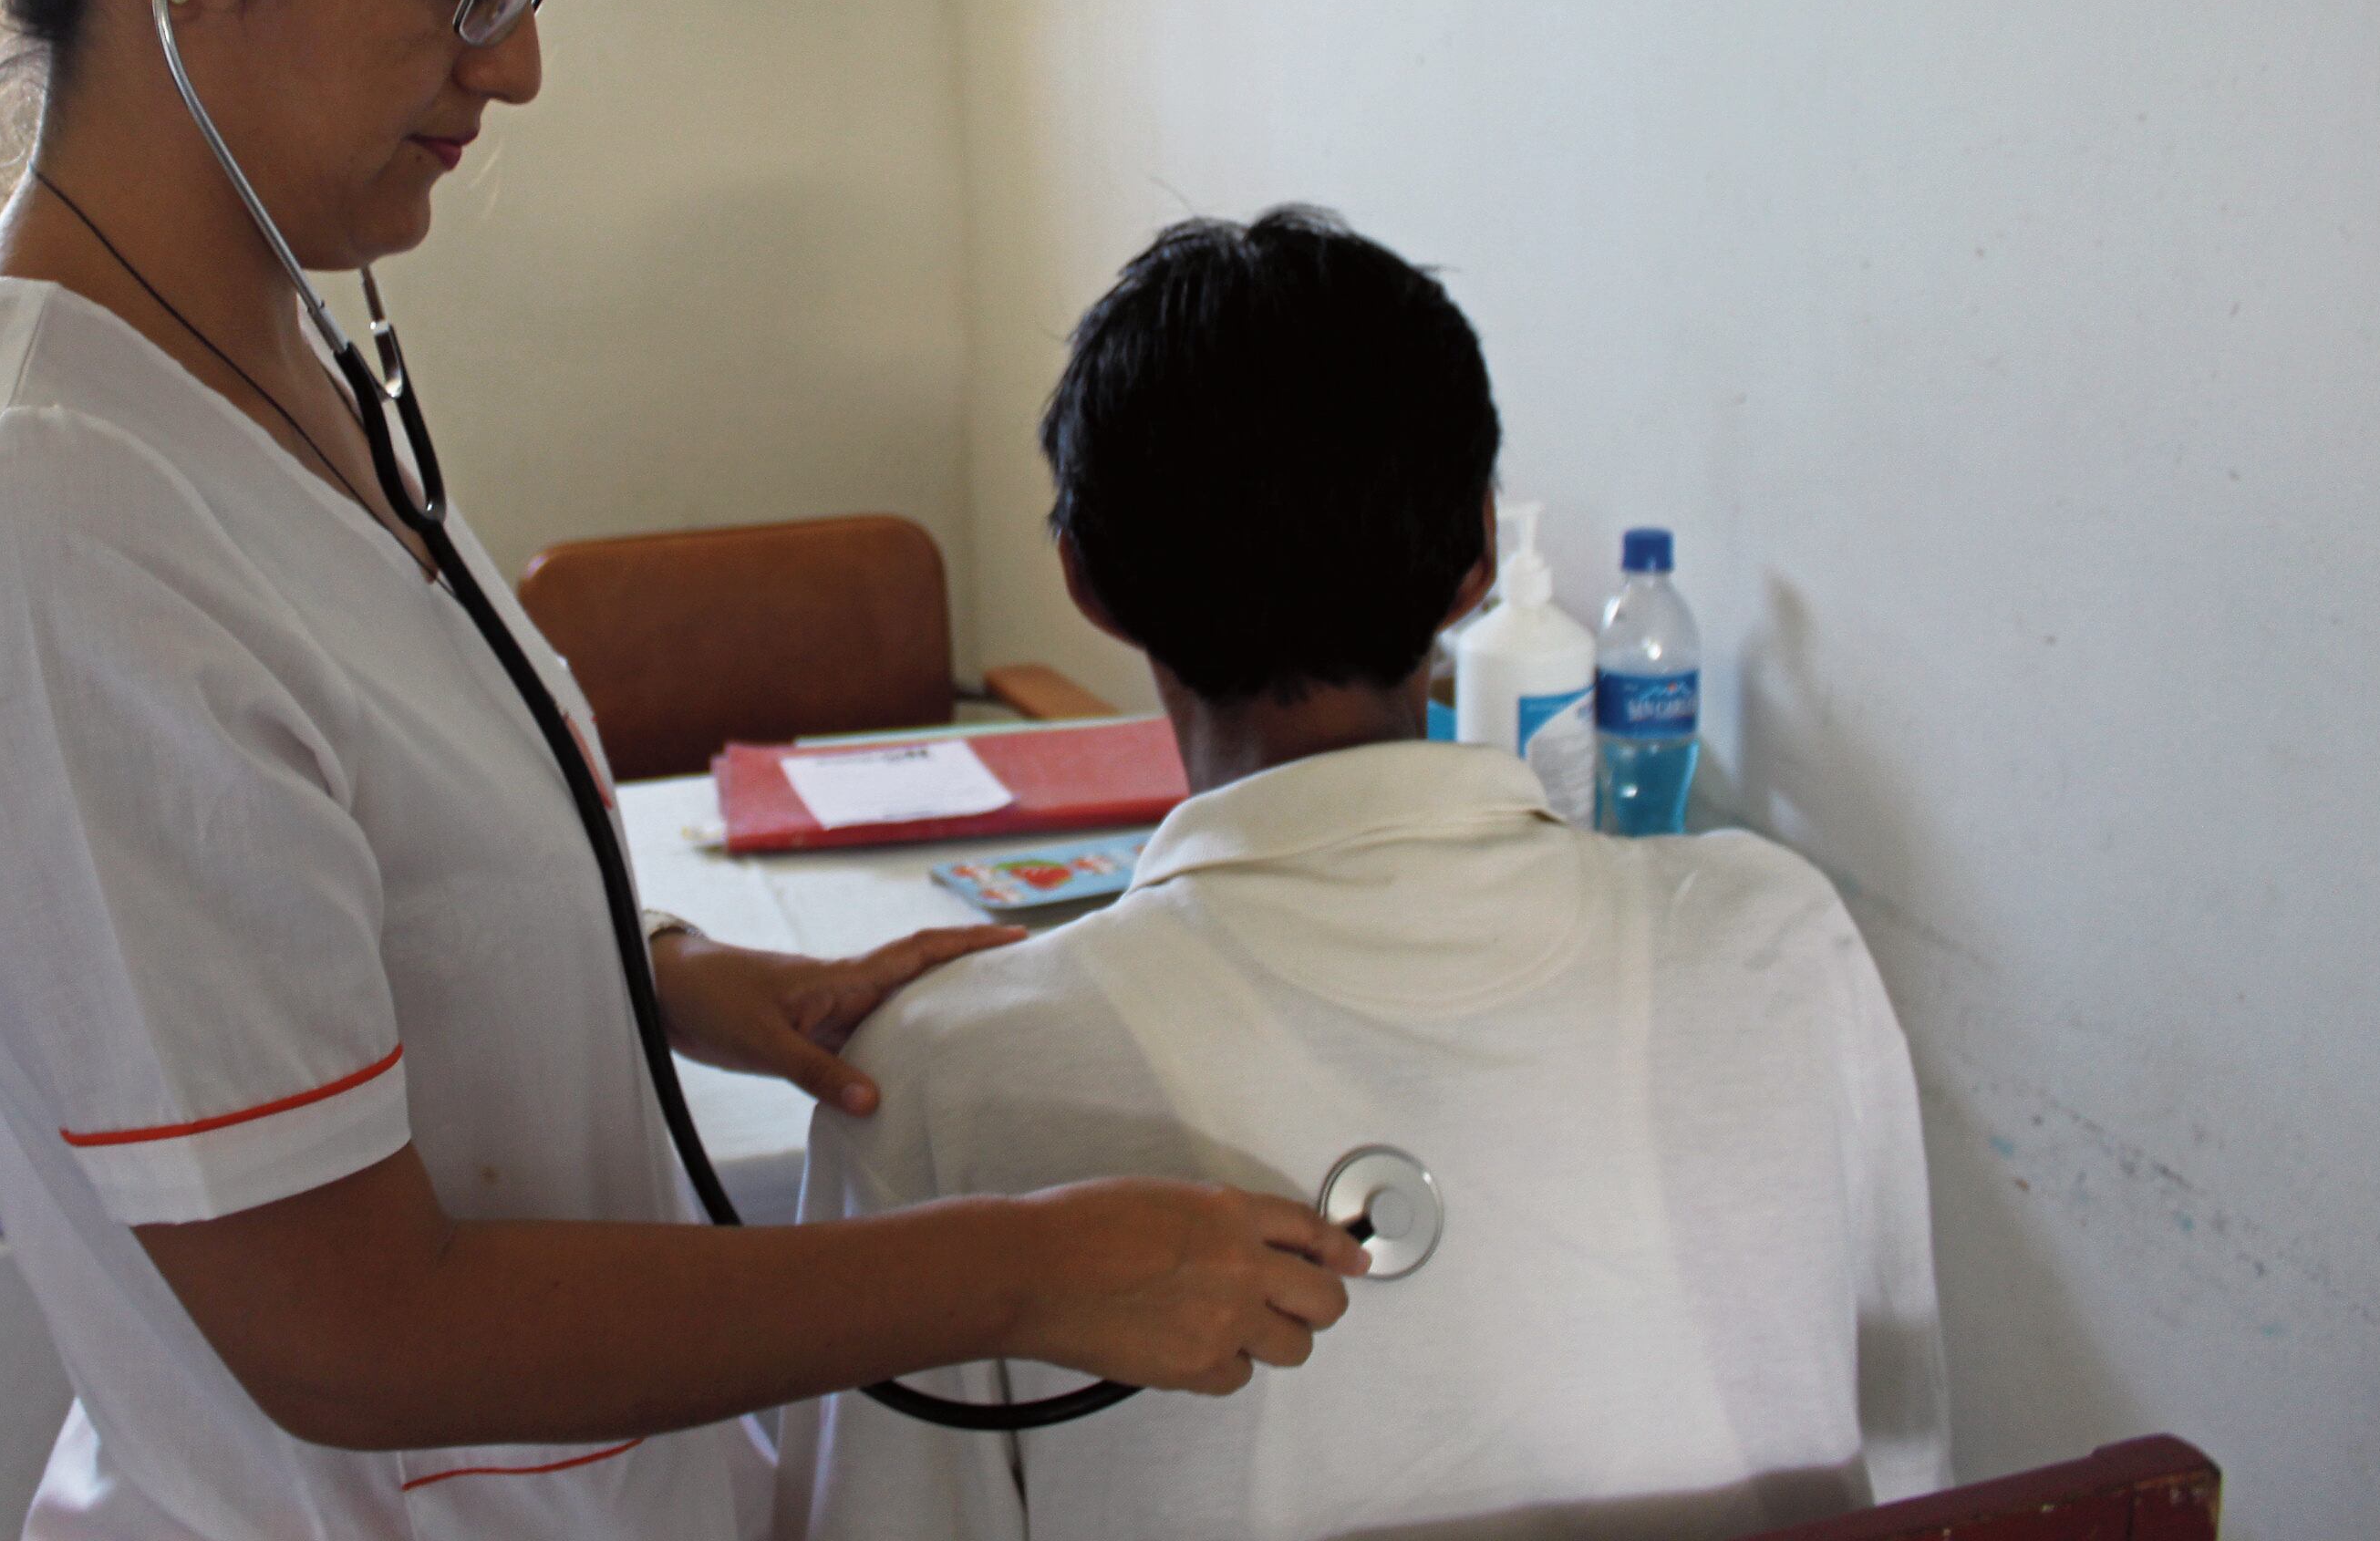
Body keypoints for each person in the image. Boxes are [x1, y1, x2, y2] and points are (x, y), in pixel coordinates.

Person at [0, 0, 1368, 1541]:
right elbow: (349, 1330)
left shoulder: (262, 355)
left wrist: (658, 972)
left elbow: (349, 863)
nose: (522, 66)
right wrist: (1028, 1266)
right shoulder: (39, 526)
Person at [776, 209, 1948, 1541]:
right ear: (1476, 570)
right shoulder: (1780, 938)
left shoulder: (936, 1077)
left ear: (1087, 581)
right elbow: (1908, 1458)